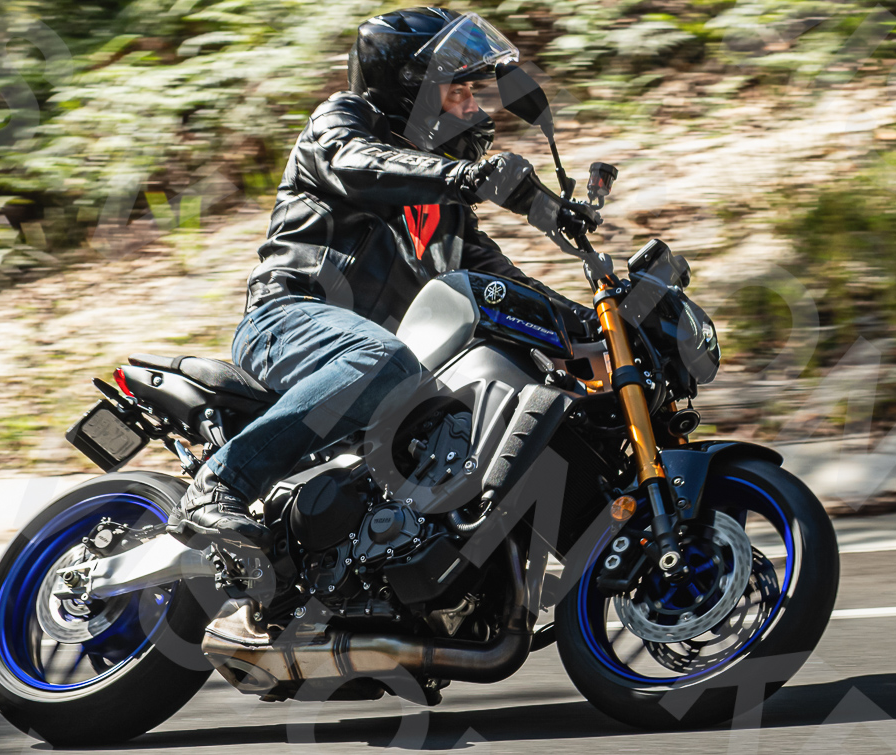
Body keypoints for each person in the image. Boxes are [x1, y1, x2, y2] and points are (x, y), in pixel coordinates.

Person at [181, 8, 599, 550]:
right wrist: (467, 176)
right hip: (286, 321)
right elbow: (357, 162)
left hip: (390, 365)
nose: (475, 108)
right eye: (459, 93)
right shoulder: (341, 124)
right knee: (380, 359)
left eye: (476, 93)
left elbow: (500, 282)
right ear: (414, 92)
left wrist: (596, 325)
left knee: (493, 415)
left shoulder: (445, 214)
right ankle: (218, 483)